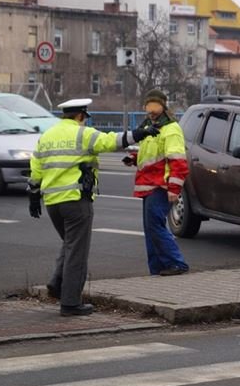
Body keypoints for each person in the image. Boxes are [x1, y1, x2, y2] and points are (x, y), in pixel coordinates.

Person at [28, 98, 159, 316]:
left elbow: (36, 167)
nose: (85, 121)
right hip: (76, 200)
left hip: (52, 203)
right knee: (77, 252)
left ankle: (57, 283)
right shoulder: (83, 134)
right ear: (80, 115)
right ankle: (70, 303)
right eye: (85, 118)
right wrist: (139, 133)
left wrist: (33, 195)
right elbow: (111, 141)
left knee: (70, 244)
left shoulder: (47, 136)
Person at [122, 89, 189, 276]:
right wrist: (134, 158)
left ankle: (176, 263)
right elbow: (152, 154)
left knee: (154, 226)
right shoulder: (149, 127)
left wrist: (174, 188)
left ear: (162, 106)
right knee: (150, 228)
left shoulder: (170, 129)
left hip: (160, 185)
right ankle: (158, 267)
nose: (151, 110)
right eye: (148, 106)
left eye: (155, 105)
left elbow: (178, 161)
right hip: (148, 184)